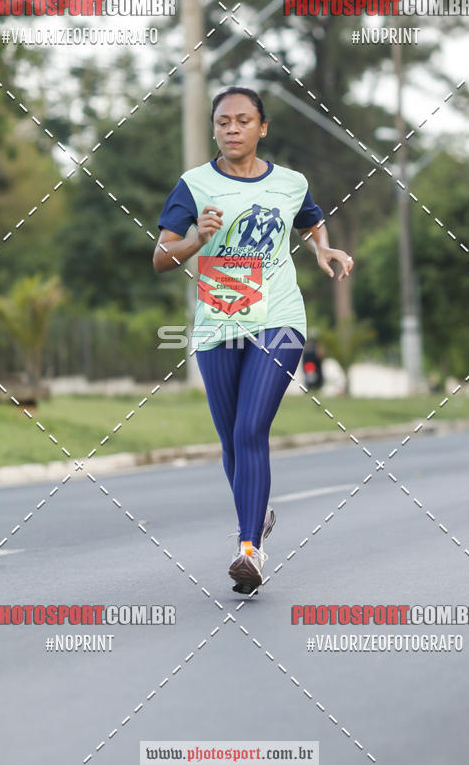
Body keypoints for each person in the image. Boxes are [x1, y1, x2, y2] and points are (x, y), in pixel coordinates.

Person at [153, 87, 354, 594]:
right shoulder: (194, 185)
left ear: (262, 128)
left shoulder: (290, 183)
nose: (232, 129)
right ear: (214, 129)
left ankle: (249, 550)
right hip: (218, 321)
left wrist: (322, 250)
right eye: (223, 121)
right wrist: (196, 239)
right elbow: (161, 257)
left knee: (250, 429)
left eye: (243, 120)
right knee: (231, 440)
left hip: (278, 319)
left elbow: (310, 219)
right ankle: (256, 515)